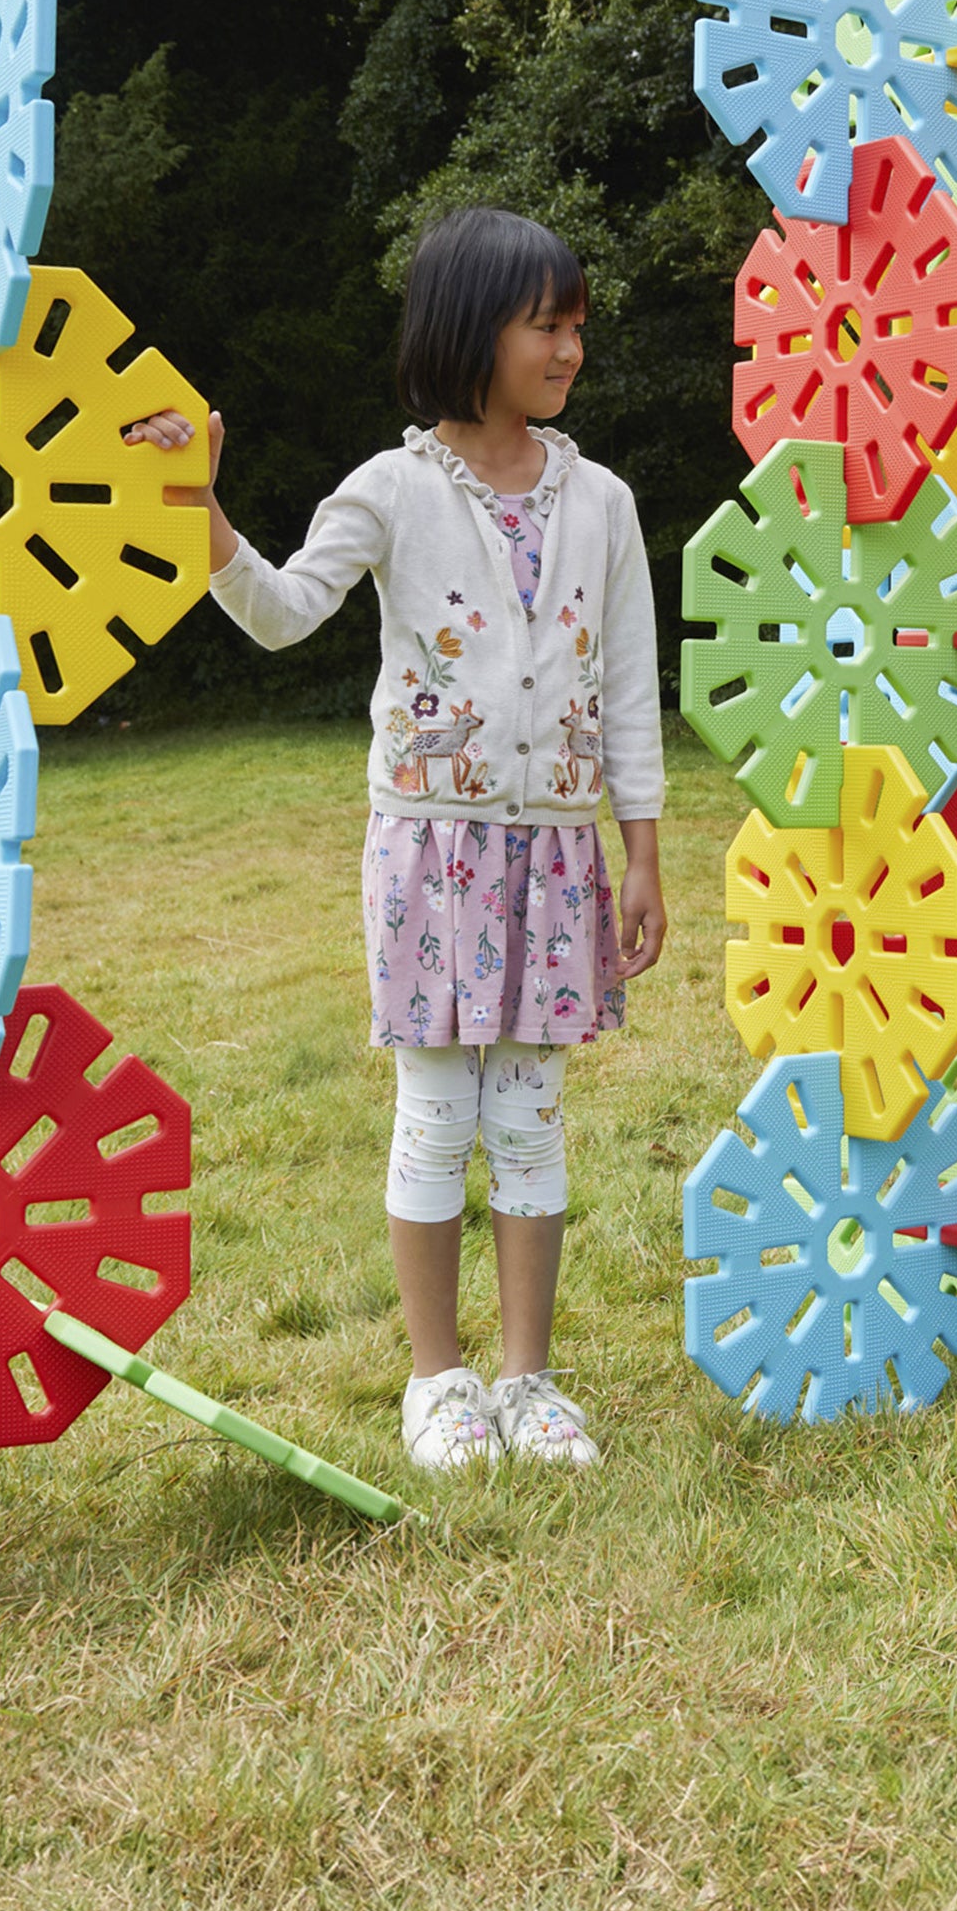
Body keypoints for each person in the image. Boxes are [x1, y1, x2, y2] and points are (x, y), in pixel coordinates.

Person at [123, 208, 664, 1473]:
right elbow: (278, 610)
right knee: (435, 1117)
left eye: (579, 327)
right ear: (473, 329)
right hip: (432, 855)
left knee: (530, 1117)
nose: (572, 348)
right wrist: (198, 502)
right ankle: (439, 1383)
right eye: (548, 325)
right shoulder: (393, 488)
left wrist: (640, 853)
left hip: (554, 860)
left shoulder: (606, 504)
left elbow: (629, 689)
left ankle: (529, 1383)